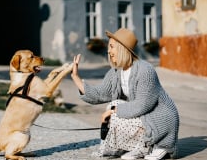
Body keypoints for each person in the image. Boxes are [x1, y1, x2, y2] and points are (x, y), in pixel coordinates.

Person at [70, 28, 179, 160]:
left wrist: (113, 111)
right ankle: (140, 147)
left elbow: (143, 105)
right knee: (113, 105)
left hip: (160, 119)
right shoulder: (116, 72)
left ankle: (160, 146)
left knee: (113, 110)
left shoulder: (145, 70)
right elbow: (99, 94)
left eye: (111, 47)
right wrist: (76, 77)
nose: (108, 51)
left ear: (122, 48)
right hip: (144, 117)